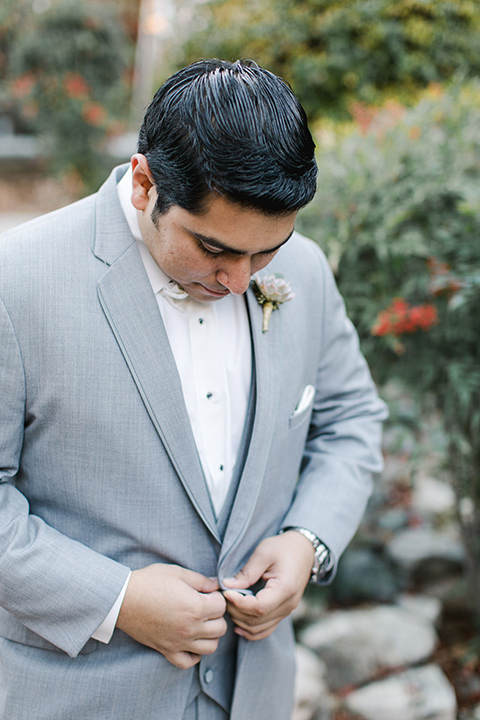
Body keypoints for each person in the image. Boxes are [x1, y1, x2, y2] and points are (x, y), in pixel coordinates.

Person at [0, 59, 387, 719]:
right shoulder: (17, 282)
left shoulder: (306, 272)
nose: (239, 281)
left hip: (253, 694)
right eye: (213, 249)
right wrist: (116, 600)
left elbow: (351, 419)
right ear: (146, 182)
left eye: (263, 254)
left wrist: (307, 541)